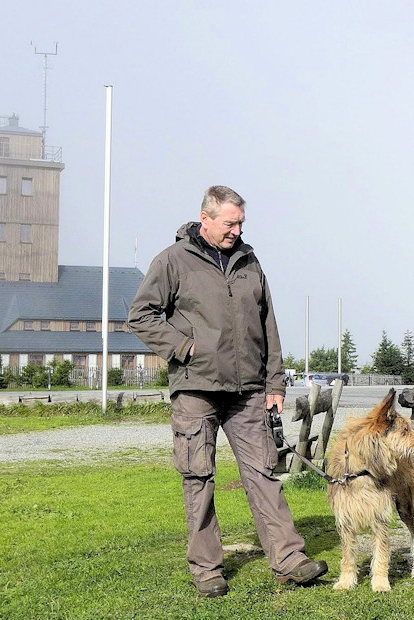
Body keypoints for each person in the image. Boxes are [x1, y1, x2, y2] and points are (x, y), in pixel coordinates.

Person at [128, 185, 327, 598]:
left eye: (241, 222)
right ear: (206, 218)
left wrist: (275, 383)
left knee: (264, 473)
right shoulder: (172, 260)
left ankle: (290, 561)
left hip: (249, 390)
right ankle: (207, 570)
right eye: (229, 222)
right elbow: (141, 316)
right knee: (199, 477)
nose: (236, 230)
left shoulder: (250, 262)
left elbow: (267, 324)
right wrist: (184, 347)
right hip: (196, 389)